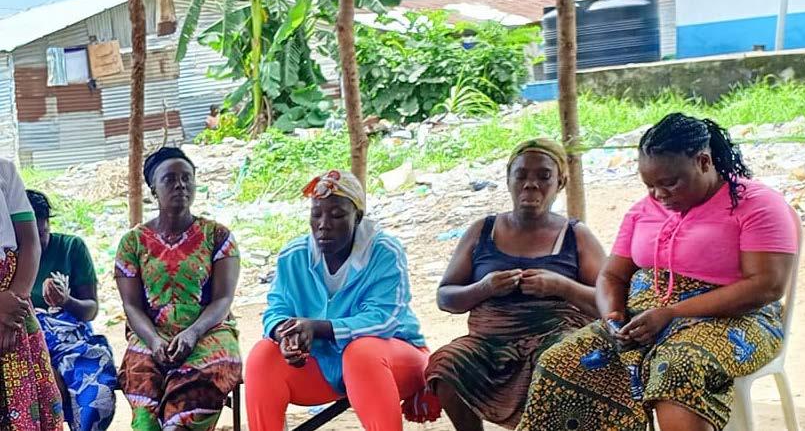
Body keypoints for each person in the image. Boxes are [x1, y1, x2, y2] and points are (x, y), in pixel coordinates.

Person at [516, 113, 799, 431]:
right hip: (645, 320)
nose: (659, 195)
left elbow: (766, 285)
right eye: (650, 185)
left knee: (677, 367)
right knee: (560, 362)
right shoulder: (643, 210)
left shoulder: (755, 203)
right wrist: (613, 317)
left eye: (669, 183)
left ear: (703, 162)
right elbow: (612, 276)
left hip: (736, 319)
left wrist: (672, 313)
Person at [425, 137, 605, 430]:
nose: (531, 184)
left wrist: (561, 287)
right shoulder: (482, 230)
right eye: (521, 175)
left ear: (560, 182)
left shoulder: (575, 235)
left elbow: (610, 301)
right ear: (508, 180)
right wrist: (484, 288)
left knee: (561, 361)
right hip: (489, 344)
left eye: (544, 176)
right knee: (446, 364)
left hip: (554, 338)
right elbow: (445, 297)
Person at [245, 170, 436, 431]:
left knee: (362, 353)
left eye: (336, 215)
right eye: (316, 214)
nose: (323, 224)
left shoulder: (384, 252)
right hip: (322, 366)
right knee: (263, 355)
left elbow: (384, 320)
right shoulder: (294, 256)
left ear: (357, 217)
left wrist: (317, 328)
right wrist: (286, 334)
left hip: (392, 361)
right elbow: (277, 309)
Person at [114, 147, 242, 431]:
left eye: (186, 178)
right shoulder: (133, 242)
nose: (180, 185)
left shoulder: (217, 236)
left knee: (194, 391)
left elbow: (223, 299)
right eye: (170, 179)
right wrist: (154, 341)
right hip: (151, 331)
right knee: (142, 389)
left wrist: (193, 332)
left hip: (209, 329)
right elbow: (131, 306)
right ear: (153, 189)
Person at [27, 189, 117, 431]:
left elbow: (90, 310)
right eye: (27, 235)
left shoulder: (71, 248)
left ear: (48, 225)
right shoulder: (9, 258)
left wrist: (66, 301)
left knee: (96, 392)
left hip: (71, 338)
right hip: (27, 341)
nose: (35, 243)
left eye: (41, 233)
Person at [0, 158, 64, 430]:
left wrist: (12, 307)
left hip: (14, 311)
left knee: (26, 410)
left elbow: (30, 242)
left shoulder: (4, 171)